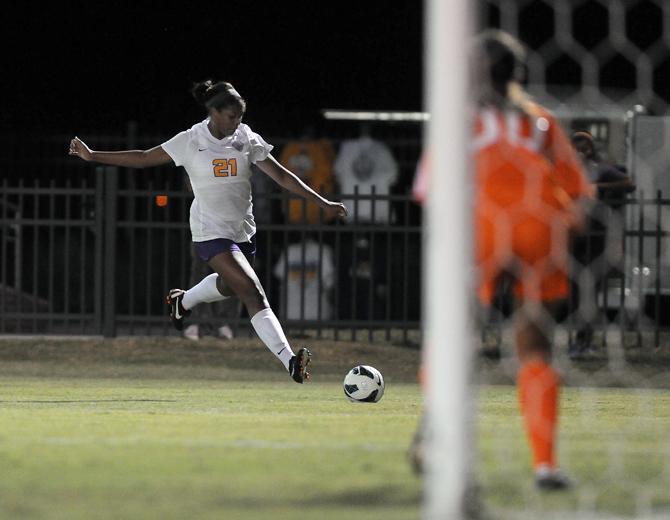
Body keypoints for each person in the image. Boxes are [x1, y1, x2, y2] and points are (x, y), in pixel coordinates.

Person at [69, 80, 348, 383]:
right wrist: (93, 155)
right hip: (210, 232)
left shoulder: (245, 137)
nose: (236, 122)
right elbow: (144, 157)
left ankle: (183, 301)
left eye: (240, 117)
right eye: (231, 116)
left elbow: (281, 174)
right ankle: (290, 361)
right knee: (252, 291)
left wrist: (322, 202)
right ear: (213, 112)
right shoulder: (191, 140)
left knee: (230, 286)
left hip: (243, 231)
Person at [411, 30, 592, 491]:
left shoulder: (458, 120)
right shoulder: (541, 121)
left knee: (455, 336)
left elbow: (428, 191)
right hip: (539, 226)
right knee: (534, 348)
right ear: (519, 74)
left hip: (482, 228)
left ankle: (435, 426)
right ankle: (546, 465)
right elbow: (577, 196)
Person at [568, 131, 636, 359]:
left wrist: (598, 186)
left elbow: (628, 183)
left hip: (596, 237)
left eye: (584, 147)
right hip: (574, 237)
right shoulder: (567, 170)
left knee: (592, 291)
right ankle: (578, 340)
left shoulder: (600, 169)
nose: (580, 151)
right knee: (575, 292)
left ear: (591, 149)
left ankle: (585, 340)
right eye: (576, 146)